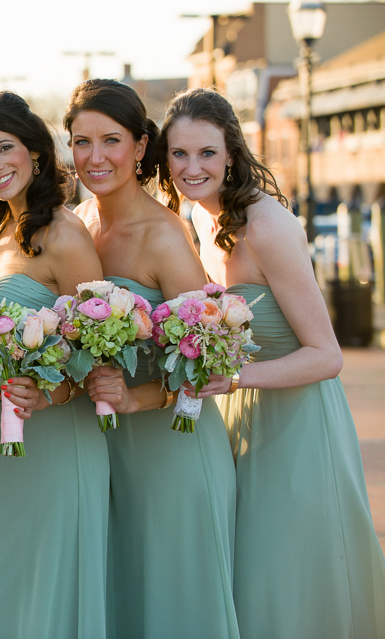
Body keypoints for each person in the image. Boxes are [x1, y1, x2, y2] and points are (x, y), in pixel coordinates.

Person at [159, 87, 385, 639]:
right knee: (248, 578)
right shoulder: (195, 218)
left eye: (207, 153)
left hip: (298, 425)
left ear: (231, 153)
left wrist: (236, 378)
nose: (192, 168)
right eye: (180, 154)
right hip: (239, 420)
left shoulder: (268, 226)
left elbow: (327, 356)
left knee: (291, 577)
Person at [65, 79, 239, 639]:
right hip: (108, 454)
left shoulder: (163, 236)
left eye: (110, 141)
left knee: (177, 609)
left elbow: (208, 360)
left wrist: (137, 396)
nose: (95, 157)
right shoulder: (80, 225)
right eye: (80, 141)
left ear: (141, 147)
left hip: (174, 450)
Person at [0, 92, 108, 639]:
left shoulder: (64, 235)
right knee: (0, 582)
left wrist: (51, 393)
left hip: (54, 437)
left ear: (36, 152)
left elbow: (99, 352)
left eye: (4, 148)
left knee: (45, 589)